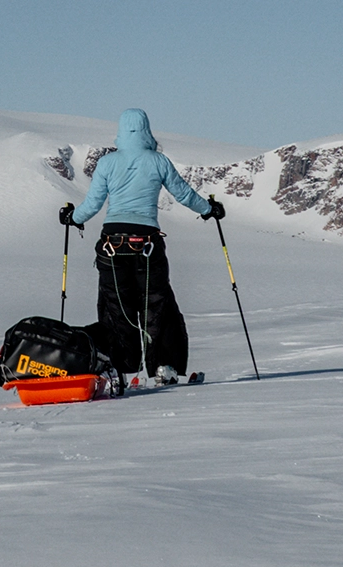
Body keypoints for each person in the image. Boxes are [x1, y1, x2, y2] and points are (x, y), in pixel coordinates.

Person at [59, 108, 224, 380]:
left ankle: (120, 367)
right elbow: (184, 194)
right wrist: (209, 209)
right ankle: (164, 367)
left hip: (112, 245)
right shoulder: (158, 161)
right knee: (158, 306)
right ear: (147, 129)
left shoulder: (108, 163)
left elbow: (92, 205)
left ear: (121, 131)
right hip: (148, 245)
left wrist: (71, 217)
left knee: (115, 308)